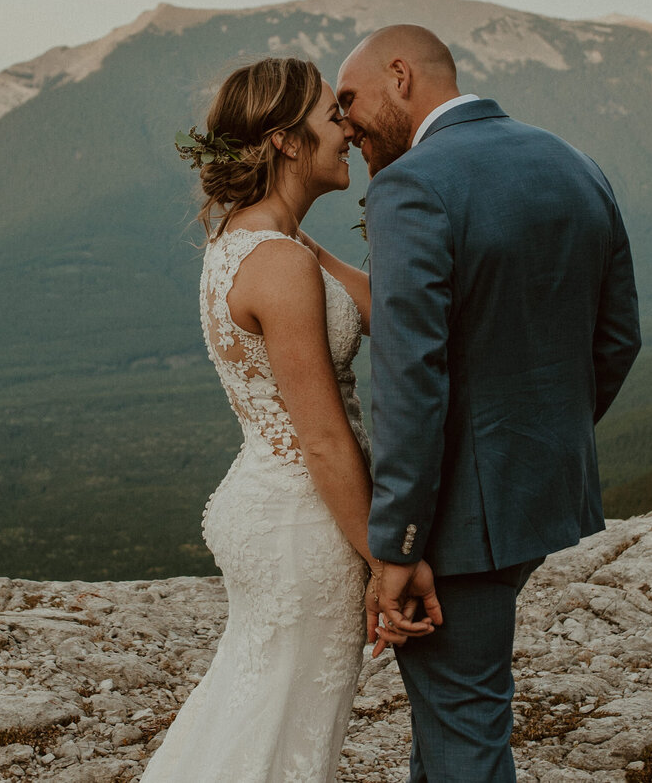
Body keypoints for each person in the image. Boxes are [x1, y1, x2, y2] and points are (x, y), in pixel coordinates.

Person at [335, 24, 641, 783]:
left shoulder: (411, 185)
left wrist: (400, 545)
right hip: (536, 498)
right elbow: (618, 337)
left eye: (349, 100)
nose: (343, 125)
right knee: (451, 714)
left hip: (457, 524)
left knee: (465, 727)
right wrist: (532, 445)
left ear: (400, 76)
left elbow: (411, 376)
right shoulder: (573, 162)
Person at [141, 55, 434, 783]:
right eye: (333, 116)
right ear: (286, 141)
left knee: (259, 708)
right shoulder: (280, 262)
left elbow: (381, 310)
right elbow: (325, 439)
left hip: (273, 507)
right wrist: (384, 562)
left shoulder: (259, 242)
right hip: (307, 519)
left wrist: (313, 234)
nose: (348, 129)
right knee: (282, 722)